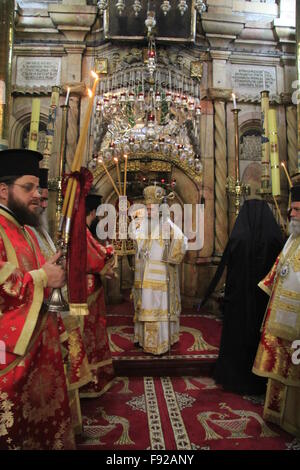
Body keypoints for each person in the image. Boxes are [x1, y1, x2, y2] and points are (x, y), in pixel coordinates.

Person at [0, 148, 75, 449]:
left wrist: (54, 272)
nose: (36, 195)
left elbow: (44, 276)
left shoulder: (26, 230)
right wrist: (44, 277)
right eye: (28, 187)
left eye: (38, 188)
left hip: (40, 351)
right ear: (3, 190)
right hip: (10, 355)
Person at [207, 199, 283, 394]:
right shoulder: (274, 237)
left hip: (239, 302)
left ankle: (234, 377)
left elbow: (230, 272)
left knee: (238, 337)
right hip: (264, 302)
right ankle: (262, 378)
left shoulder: (239, 237)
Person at [253, 185, 300, 437]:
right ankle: (277, 415)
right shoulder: (292, 238)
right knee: (280, 365)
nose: (291, 214)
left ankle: (293, 419)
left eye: (296, 209)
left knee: (295, 367)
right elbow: (280, 267)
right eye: (291, 209)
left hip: (298, 322)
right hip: (281, 316)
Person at [131, 185, 188, 355]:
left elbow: (182, 240)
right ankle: (142, 339)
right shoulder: (139, 223)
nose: (150, 212)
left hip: (160, 276)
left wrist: (170, 240)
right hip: (142, 275)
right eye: (147, 208)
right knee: (144, 306)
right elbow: (135, 241)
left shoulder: (166, 224)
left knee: (158, 308)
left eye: (153, 208)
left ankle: (162, 342)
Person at [79, 193, 116, 397]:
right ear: (92, 212)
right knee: (90, 331)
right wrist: (109, 255)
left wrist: (106, 252)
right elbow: (94, 259)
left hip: (90, 290)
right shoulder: (81, 232)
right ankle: (90, 377)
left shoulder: (83, 231)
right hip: (86, 292)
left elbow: (96, 252)